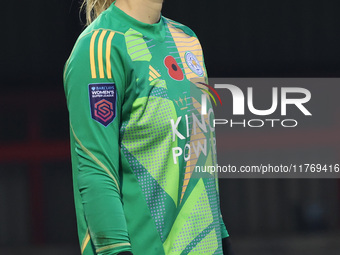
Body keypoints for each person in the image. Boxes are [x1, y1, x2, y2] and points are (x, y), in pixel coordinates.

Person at [63, 0, 234, 254]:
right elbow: (96, 171)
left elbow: (199, 156)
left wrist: (221, 236)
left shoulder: (187, 40)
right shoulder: (99, 48)